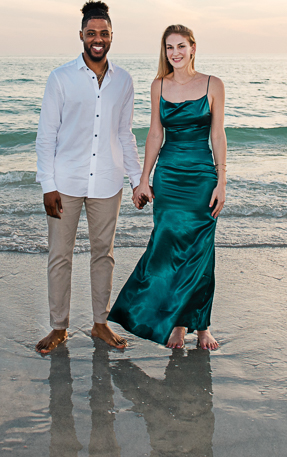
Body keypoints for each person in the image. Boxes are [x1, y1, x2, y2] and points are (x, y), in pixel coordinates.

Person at [35, 1, 143, 355]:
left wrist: (137, 179)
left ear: (112, 37)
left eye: (104, 34)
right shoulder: (60, 78)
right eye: (92, 33)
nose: (98, 39)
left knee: (104, 255)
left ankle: (100, 324)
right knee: (60, 256)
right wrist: (48, 184)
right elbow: (46, 135)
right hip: (65, 182)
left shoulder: (123, 80)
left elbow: (125, 135)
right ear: (81, 35)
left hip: (107, 182)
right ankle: (58, 327)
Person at [108, 24, 226, 350]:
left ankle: (201, 327)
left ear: (193, 47)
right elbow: (155, 134)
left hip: (202, 179)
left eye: (180, 46)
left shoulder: (213, 84)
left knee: (200, 253)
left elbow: (217, 136)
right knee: (166, 249)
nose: (175, 53)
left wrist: (222, 180)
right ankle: (175, 322)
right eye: (169, 48)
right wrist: (144, 178)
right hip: (169, 178)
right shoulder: (158, 86)